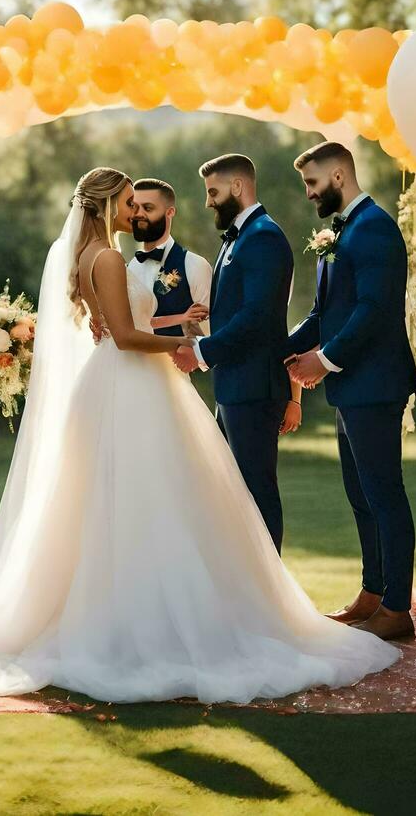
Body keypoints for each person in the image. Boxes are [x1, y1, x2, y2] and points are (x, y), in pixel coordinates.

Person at [0, 167, 399, 703]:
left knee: (129, 501)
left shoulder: (90, 255)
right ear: (106, 206)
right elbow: (124, 337)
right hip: (130, 386)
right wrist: (182, 348)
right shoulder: (107, 257)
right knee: (153, 498)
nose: (134, 210)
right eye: (126, 202)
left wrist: (175, 329)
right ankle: (157, 621)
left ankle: (129, 610)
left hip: (118, 383)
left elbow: (115, 328)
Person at [286, 141, 416, 642]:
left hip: (376, 384)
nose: (308, 193)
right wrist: (279, 349)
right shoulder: (340, 232)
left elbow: (372, 312)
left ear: (339, 175)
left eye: (312, 183)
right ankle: (372, 590)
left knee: (384, 493)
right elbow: (325, 314)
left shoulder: (377, 229)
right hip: (350, 386)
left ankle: (398, 607)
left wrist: (320, 361)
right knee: (359, 493)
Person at [171, 154, 301, 550]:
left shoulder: (263, 236)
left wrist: (202, 351)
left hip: (255, 387)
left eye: (213, 191)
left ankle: (268, 600)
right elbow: (240, 312)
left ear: (238, 187)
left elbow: (258, 318)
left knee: (257, 494)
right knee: (232, 494)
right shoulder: (240, 237)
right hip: (235, 387)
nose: (208, 201)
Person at [127, 178, 211, 338]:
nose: (138, 214)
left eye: (148, 208)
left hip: (181, 362)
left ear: (170, 212)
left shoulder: (194, 265)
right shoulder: (129, 268)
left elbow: (210, 330)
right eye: (134, 207)